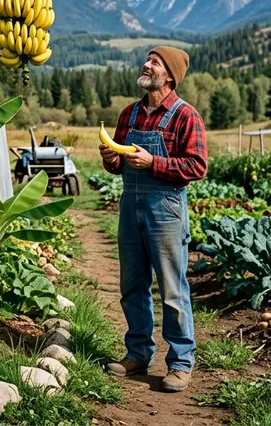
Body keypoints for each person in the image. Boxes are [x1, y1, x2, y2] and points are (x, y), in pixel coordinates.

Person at [99, 46, 207, 393]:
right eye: (147, 59)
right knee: (132, 285)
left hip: (166, 209)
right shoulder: (129, 114)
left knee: (172, 289)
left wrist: (154, 163)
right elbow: (118, 165)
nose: (146, 65)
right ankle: (138, 354)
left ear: (170, 76)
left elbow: (197, 166)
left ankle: (180, 363)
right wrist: (110, 159)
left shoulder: (185, 115)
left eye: (155, 62)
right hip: (130, 206)